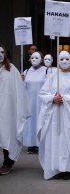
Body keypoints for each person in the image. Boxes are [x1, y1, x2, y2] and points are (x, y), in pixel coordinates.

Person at [37, 50, 70, 180]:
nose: (64, 61)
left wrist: (65, 99)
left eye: (67, 59)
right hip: (55, 115)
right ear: (58, 61)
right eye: (62, 59)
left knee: (68, 141)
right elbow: (43, 93)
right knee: (56, 140)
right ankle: (56, 167)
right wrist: (52, 98)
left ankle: (68, 168)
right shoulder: (53, 76)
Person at [0, 44, 30, 175]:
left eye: (2, 52)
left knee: (7, 133)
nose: (0, 54)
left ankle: (8, 161)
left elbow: (19, 90)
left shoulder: (11, 69)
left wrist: (20, 80)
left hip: (8, 109)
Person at [22, 51, 47, 154]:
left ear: (41, 59)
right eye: (32, 58)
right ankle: (31, 144)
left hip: (41, 102)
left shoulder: (46, 70)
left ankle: (40, 144)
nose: (34, 60)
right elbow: (22, 87)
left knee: (40, 122)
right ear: (29, 59)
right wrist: (21, 80)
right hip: (30, 101)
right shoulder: (26, 71)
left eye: (37, 58)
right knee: (30, 123)